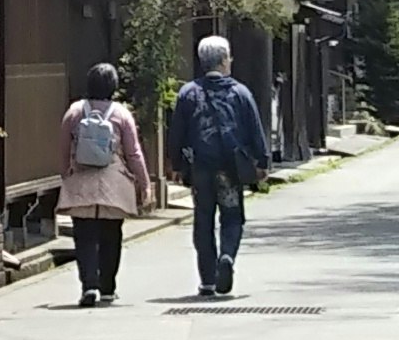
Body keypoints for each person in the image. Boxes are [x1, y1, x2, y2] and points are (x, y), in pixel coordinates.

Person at [162, 35, 269, 299]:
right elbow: (255, 129)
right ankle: (227, 256)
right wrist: (263, 161)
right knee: (232, 216)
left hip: (200, 167)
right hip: (231, 167)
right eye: (228, 57)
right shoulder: (240, 93)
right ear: (223, 60)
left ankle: (207, 280)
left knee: (203, 220)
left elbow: (176, 133)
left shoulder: (188, 93)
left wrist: (175, 163)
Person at [56, 63, 152, 308]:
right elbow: (134, 153)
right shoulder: (121, 114)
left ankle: (89, 285)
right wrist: (144, 184)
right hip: (114, 181)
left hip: (81, 180)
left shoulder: (75, 111)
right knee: (112, 235)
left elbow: (64, 147)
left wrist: (65, 172)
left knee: (84, 236)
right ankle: (108, 287)